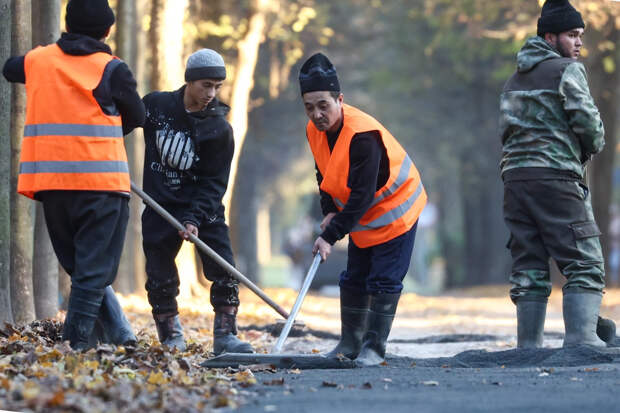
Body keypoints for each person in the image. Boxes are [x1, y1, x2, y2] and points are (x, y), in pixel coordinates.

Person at [2, 0, 144, 350]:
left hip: (52, 187)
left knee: (83, 270)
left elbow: (9, 68)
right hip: (102, 186)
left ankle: (119, 334)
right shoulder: (113, 69)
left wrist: (41, 53)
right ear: (108, 31)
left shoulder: (38, 61)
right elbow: (137, 115)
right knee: (93, 272)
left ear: (67, 25)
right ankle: (75, 347)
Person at [299, 53, 427, 366]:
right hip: (364, 219)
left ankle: (373, 348)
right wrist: (328, 208)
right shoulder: (315, 131)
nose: (317, 114)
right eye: (309, 107)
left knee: (383, 280)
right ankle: (349, 343)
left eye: (323, 105)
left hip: (396, 213)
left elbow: (361, 196)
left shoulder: (363, 136)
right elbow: (324, 173)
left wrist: (329, 236)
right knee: (353, 277)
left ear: (339, 99)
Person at [500, 0, 615, 348]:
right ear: (550, 36)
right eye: (571, 35)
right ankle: (582, 337)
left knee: (529, 259)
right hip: (555, 176)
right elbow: (588, 122)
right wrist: (591, 147)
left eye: (580, 35)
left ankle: (528, 344)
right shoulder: (566, 70)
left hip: (515, 180)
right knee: (584, 256)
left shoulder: (512, 79)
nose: (579, 43)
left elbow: (504, 131)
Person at [141, 49, 253, 354]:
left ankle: (226, 336)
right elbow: (118, 124)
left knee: (224, 268)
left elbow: (214, 183)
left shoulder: (219, 129)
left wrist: (194, 218)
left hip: (204, 209)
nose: (211, 93)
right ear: (189, 81)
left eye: (217, 86)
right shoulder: (156, 106)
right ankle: (170, 335)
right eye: (206, 84)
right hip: (160, 205)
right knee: (159, 273)